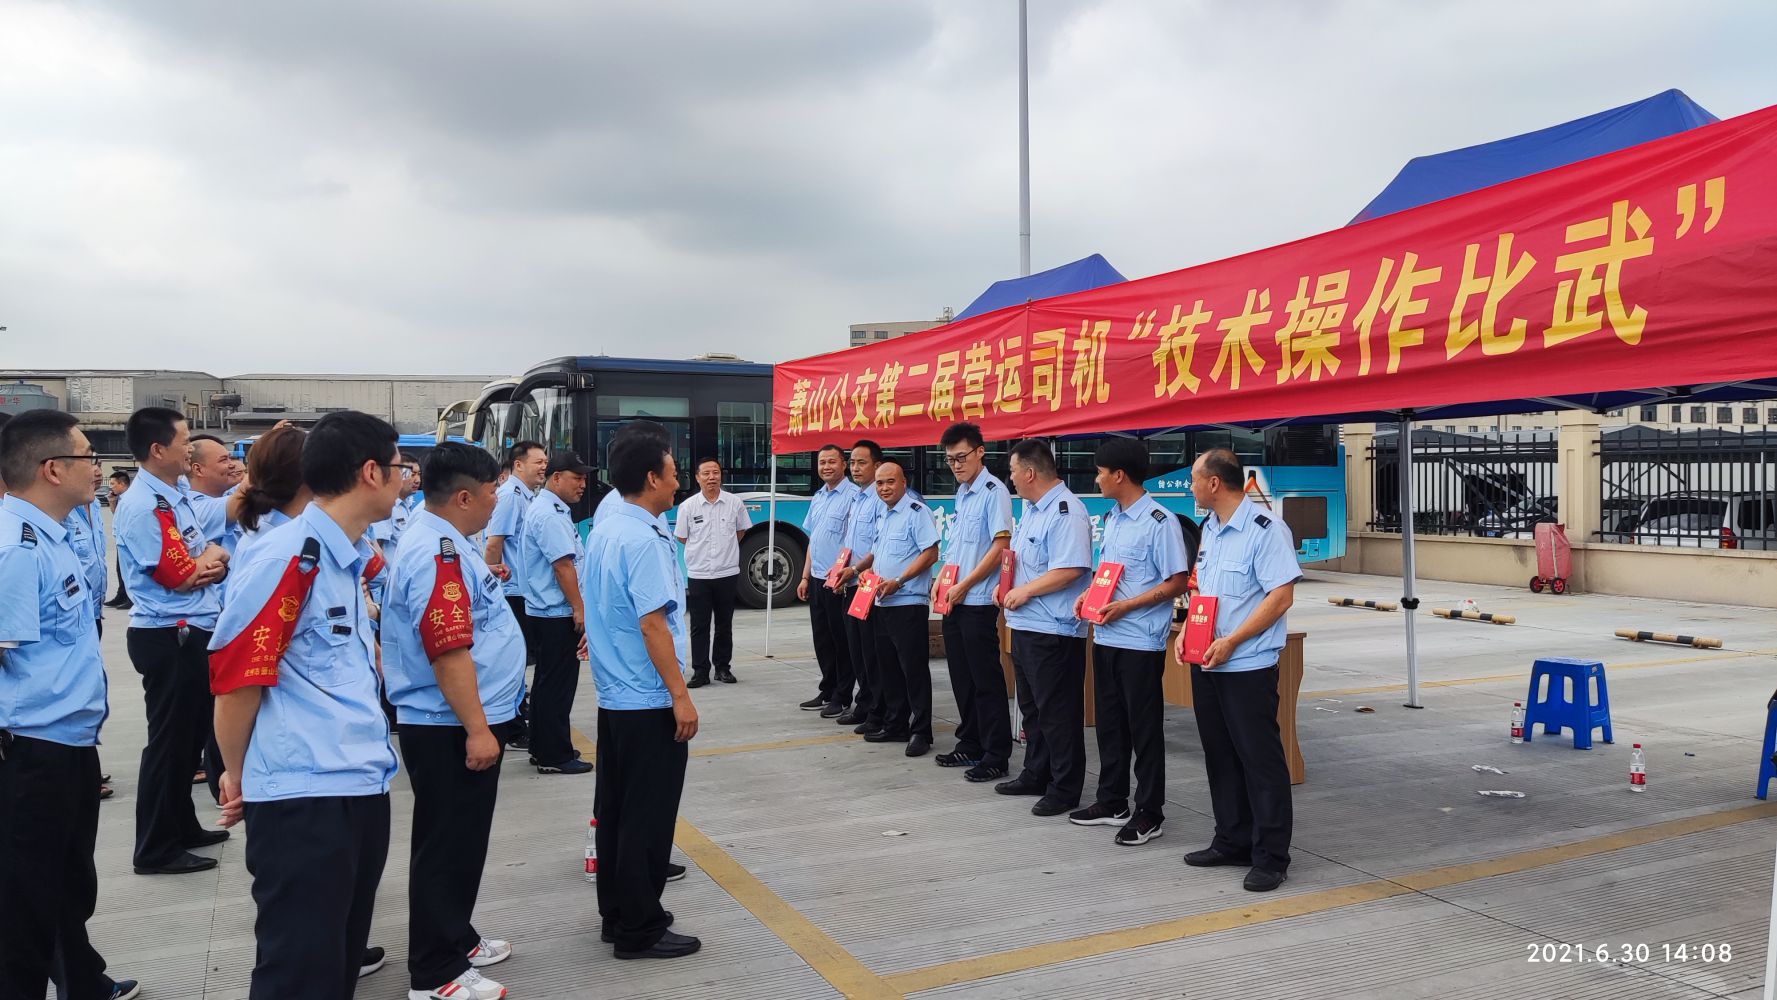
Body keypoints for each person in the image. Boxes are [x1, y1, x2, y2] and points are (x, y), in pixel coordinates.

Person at [209, 410, 403, 997]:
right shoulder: (289, 557)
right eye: (399, 467)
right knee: (299, 972)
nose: (404, 479)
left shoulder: (343, 555)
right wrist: (236, 773)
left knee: (337, 965)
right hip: (305, 798)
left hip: (358, 783)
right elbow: (238, 681)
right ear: (371, 473)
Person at [0, 410, 142, 1000]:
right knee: (22, 911)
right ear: (52, 469)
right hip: (31, 752)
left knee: (65, 886)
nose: (99, 469)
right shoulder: (15, 547)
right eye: (89, 456)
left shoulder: (52, 535)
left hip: (69, 742)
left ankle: (81, 983)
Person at [383, 443, 524, 1000]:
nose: (496, 502)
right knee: (447, 846)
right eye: (492, 492)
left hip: (458, 718)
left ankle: (455, 936)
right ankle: (435, 973)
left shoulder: (449, 540)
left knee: (461, 842)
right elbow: (447, 651)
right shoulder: (436, 551)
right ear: (464, 497)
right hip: (449, 724)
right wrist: (478, 729)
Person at [582, 431, 701, 960]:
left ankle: (618, 914)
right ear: (652, 478)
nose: (678, 483)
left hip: (615, 697)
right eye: (673, 474)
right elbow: (653, 624)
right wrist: (681, 695)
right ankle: (639, 927)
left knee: (616, 812)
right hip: (647, 697)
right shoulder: (644, 539)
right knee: (646, 819)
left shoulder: (607, 528)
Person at [114, 406, 231, 875]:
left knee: (187, 741)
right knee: (168, 744)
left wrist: (207, 561)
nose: (190, 448)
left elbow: (206, 558)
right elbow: (181, 576)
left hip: (190, 629)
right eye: (184, 441)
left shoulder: (173, 496)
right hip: (168, 634)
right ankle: (156, 847)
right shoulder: (146, 505)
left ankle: (182, 826)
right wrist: (207, 560)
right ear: (157, 449)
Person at [1178, 447, 1300, 892]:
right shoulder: (1210, 528)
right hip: (1207, 661)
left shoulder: (1265, 530)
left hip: (1246, 665)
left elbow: (1280, 597)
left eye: (1194, 478)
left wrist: (1233, 641)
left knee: (1259, 760)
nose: (1190, 486)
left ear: (1214, 483)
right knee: (1220, 754)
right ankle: (1232, 839)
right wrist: (1187, 632)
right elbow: (1203, 590)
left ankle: (1271, 856)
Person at [1069, 439, 1190, 845]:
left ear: (1119, 475)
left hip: (1140, 641)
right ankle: (1112, 801)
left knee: (1144, 730)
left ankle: (1149, 812)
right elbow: (1109, 573)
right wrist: (1089, 595)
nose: (1097, 479)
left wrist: (1127, 606)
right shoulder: (1115, 518)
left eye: (1100, 472)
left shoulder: (1159, 522)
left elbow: (1176, 581)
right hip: (1106, 635)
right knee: (1110, 724)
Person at [994, 439, 1094, 817]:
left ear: (1030, 472)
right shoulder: (1034, 511)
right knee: (1032, 709)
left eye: (1013, 472)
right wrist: (1005, 587)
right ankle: (1036, 773)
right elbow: (1023, 563)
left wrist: (1025, 591)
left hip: (1053, 630)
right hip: (1026, 624)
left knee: (1058, 713)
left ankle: (1064, 788)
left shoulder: (1066, 512)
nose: (1011, 479)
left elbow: (1071, 569)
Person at [933, 422, 1015, 782]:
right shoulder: (963, 493)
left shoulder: (993, 492)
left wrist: (965, 584)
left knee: (985, 680)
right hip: (955, 598)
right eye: (950, 459)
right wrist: (943, 578)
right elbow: (959, 548)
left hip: (978, 600)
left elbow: (1000, 547)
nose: (956, 465)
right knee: (961, 676)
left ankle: (996, 754)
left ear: (980, 452)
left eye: (961, 457)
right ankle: (970, 742)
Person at [845, 462, 939, 755]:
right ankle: (896, 724)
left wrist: (899, 580)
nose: (884, 488)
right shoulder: (884, 515)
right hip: (881, 601)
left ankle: (921, 731)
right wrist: (864, 572)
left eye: (890, 482)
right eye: (880, 483)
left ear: (903, 483)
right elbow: (878, 553)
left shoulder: (916, 512)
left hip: (907, 602)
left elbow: (930, 553)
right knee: (888, 667)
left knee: (913, 669)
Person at [518, 450, 592, 775]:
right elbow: (563, 566)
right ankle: (554, 755)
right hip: (556, 613)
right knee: (557, 686)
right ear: (557, 478)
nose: (583, 485)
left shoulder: (551, 508)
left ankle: (544, 746)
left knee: (548, 683)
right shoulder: (549, 514)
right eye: (577, 478)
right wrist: (579, 607)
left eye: (585, 479)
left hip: (548, 611)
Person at [675, 457, 752, 687]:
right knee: (699, 625)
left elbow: (740, 531)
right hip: (699, 574)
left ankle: (722, 668)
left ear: (721, 476)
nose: (711, 478)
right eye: (706, 474)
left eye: (715, 473)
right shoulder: (688, 506)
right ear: (697, 478)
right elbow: (682, 537)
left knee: (724, 624)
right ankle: (700, 671)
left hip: (727, 573)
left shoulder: (734, 503)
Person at [794, 445, 858, 714]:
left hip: (839, 581)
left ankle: (842, 696)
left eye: (832, 461)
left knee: (841, 640)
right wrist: (804, 576)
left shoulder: (853, 496)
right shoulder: (819, 496)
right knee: (822, 639)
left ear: (844, 464)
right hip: (817, 578)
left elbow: (853, 542)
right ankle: (828, 688)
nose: (826, 467)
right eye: (822, 462)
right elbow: (814, 539)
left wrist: (843, 574)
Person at [832, 440, 886, 733]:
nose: (855, 468)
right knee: (857, 651)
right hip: (851, 582)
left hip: (868, 584)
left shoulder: (880, 499)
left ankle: (876, 710)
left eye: (861, 463)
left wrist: (855, 570)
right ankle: (865, 704)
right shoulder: (858, 498)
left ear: (877, 465)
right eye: (852, 463)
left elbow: (877, 548)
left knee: (871, 652)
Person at [105, 470, 134, 609]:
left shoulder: (130, 498)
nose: (111, 487)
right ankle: (121, 594)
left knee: (128, 570)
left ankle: (131, 598)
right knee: (120, 568)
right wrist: (112, 502)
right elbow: (116, 515)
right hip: (121, 538)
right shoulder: (121, 498)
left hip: (128, 539)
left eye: (113, 484)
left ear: (122, 484)